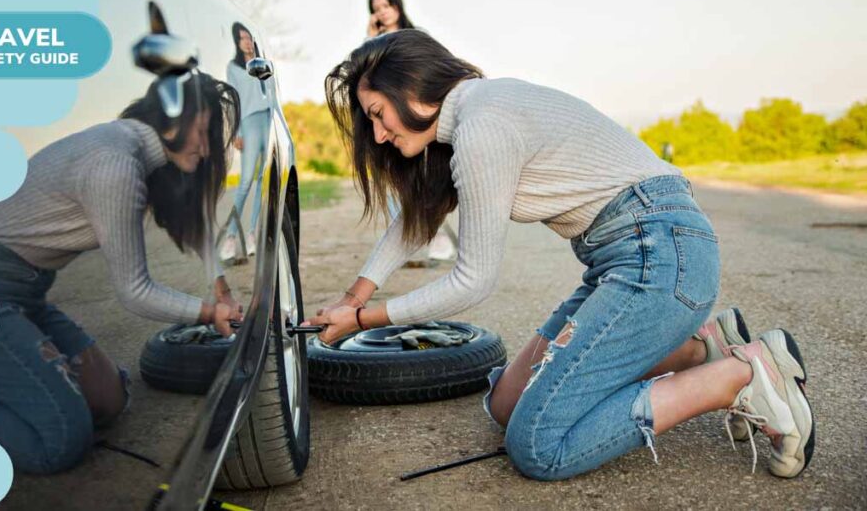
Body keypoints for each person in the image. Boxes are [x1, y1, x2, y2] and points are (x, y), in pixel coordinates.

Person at [308, 30, 814, 480]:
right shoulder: (471, 115)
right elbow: (416, 217)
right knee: (507, 405)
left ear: (412, 87)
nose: (377, 135)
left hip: (660, 257)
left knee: (538, 445)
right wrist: (355, 294)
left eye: (378, 114)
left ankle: (741, 376)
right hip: (631, 258)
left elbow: (473, 281)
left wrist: (362, 319)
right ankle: (702, 348)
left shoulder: (483, 128)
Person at [0, 71, 245, 475]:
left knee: (108, 401)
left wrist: (223, 292)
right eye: (205, 131)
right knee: (61, 439)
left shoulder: (139, 152)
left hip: (24, 291)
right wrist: (208, 312)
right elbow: (134, 291)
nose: (208, 148)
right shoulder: (115, 164)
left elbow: (193, 229)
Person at [364, 0, 456, 262]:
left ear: (397, 6)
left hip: (416, 119)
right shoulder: (374, 45)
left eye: (386, 6)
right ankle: (409, 241)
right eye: (377, 9)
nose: (383, 12)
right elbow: (363, 79)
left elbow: (433, 70)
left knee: (425, 180)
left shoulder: (417, 37)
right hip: (389, 123)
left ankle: (438, 237)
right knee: (396, 181)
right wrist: (369, 38)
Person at [223, 22, 273, 261]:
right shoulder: (233, 68)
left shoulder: (264, 64)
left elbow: (273, 96)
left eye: (249, 37)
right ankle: (231, 237)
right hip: (249, 122)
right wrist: (235, 132)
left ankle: (252, 233)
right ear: (237, 41)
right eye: (241, 38)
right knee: (245, 181)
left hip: (268, 120)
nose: (246, 42)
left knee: (264, 179)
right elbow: (234, 100)